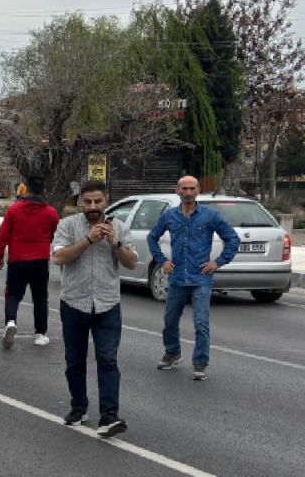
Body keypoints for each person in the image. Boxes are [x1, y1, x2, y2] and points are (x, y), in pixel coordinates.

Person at [52, 180, 137, 438]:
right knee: (74, 361)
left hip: (108, 304)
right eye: (87, 202)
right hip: (74, 303)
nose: (92, 207)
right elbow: (59, 257)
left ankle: (109, 416)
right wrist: (88, 240)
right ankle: (79, 407)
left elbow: (132, 263)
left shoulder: (119, 227)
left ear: (106, 201)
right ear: (80, 202)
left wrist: (116, 243)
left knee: (108, 359)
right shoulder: (67, 226)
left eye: (97, 201)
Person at [147, 175, 240, 381]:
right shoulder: (169, 216)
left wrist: (218, 262)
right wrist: (162, 260)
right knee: (170, 320)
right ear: (177, 191)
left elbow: (232, 239)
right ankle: (172, 353)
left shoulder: (210, 216)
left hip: (201, 279)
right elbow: (152, 237)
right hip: (178, 278)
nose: (188, 193)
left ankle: (200, 363)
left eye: (192, 188)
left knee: (201, 323)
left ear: (198, 190)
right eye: (185, 189)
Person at [0, 176, 60, 348]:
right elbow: (56, 234)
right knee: (40, 297)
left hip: (17, 260)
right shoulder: (51, 213)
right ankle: (40, 334)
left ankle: (10, 322)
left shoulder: (13, 211)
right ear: (43, 191)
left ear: (27, 190)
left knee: (13, 294)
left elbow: (2, 235)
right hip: (40, 261)